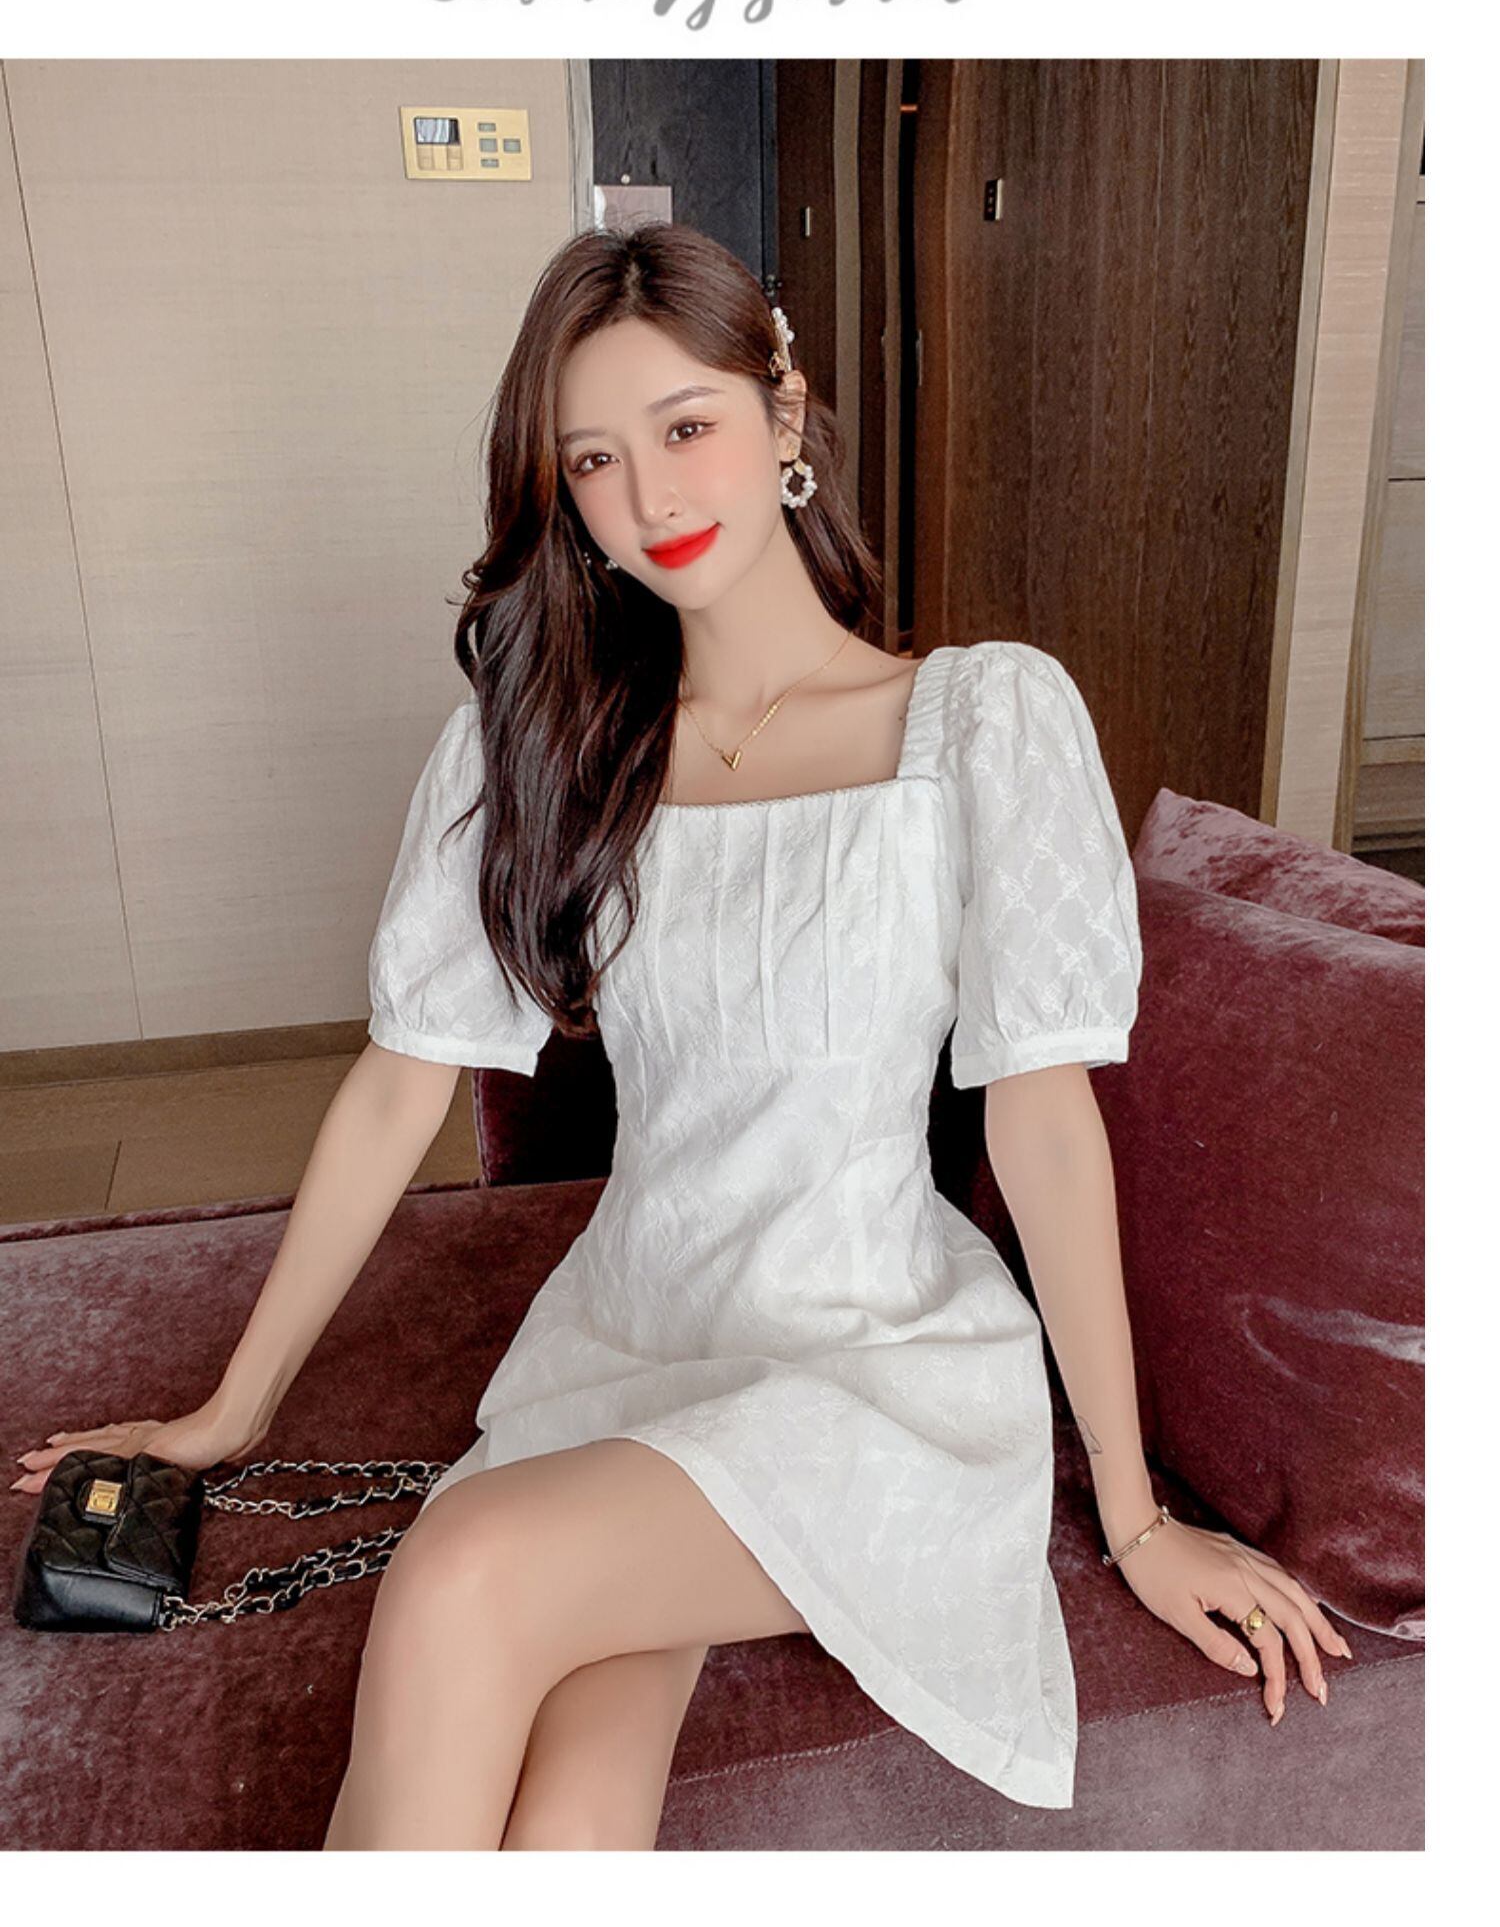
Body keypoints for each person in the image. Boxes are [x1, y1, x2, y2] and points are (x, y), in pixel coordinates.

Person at [13, 221, 1349, 1849]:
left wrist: (1132, 1519)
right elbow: (398, 1086)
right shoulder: (544, 746)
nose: (649, 496)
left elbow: (1044, 1123)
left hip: (867, 1360)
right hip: (629, 1337)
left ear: (783, 410)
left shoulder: (985, 722)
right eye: (594, 457)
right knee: (570, 1821)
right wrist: (233, 1413)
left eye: (685, 425)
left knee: (464, 1568)